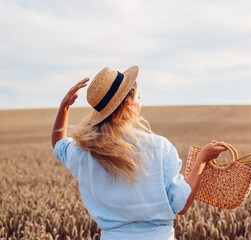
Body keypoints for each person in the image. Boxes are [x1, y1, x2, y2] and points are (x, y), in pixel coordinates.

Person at [51, 66, 226, 240]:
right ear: (128, 105)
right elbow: (181, 205)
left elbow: (58, 144)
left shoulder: (83, 152)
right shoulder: (159, 148)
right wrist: (202, 160)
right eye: (139, 97)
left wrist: (64, 106)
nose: (140, 102)